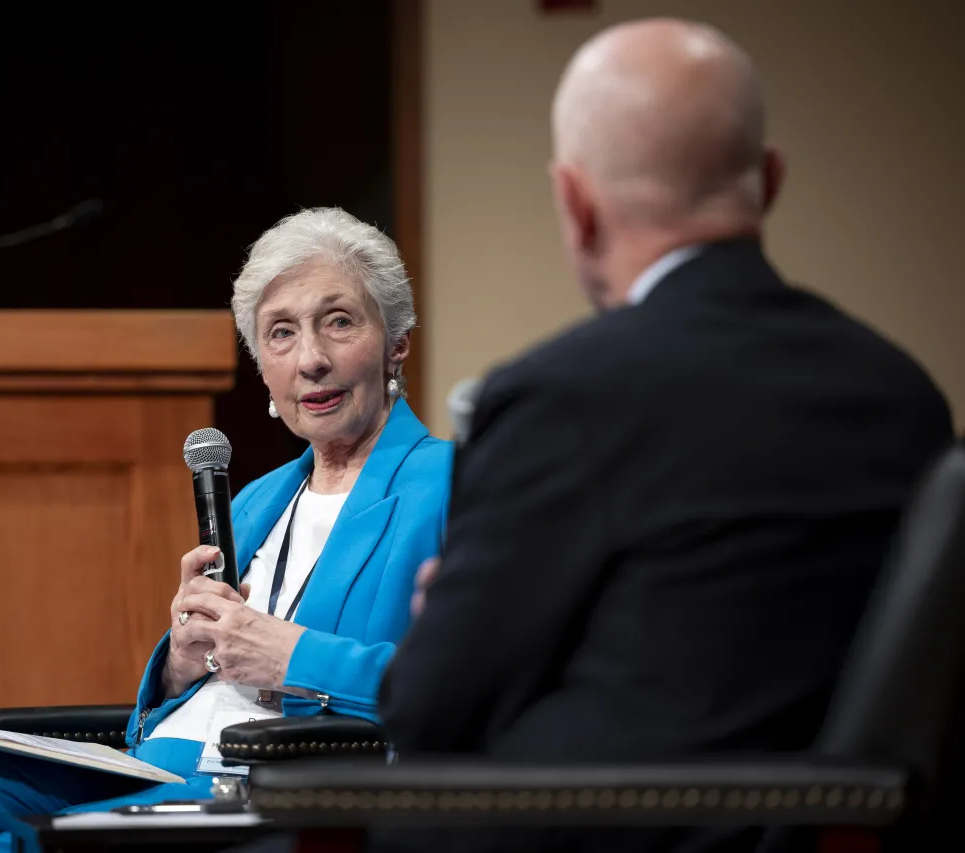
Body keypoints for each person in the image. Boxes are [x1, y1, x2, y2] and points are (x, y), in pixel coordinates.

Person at [378, 18, 955, 853]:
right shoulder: (905, 394)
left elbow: (429, 710)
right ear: (771, 179)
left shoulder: (559, 395)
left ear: (575, 204)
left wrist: (448, 619)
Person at [0, 207, 453, 853]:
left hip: (263, 790)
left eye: (338, 322)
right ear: (264, 371)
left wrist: (291, 657)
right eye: (280, 333)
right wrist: (178, 663)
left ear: (397, 340)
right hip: (152, 766)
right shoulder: (255, 502)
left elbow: (467, 691)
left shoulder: (453, 486)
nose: (310, 358)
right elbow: (171, 708)